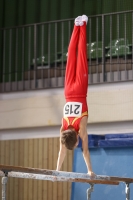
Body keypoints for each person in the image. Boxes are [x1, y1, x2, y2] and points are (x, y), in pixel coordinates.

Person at [56, 15, 95, 177]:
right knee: (71, 57)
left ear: (77, 139)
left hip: (80, 89)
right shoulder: (63, 129)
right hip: (67, 91)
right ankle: (76, 25)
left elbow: (85, 151)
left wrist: (90, 170)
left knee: (81, 56)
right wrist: (57, 170)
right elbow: (61, 151)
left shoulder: (81, 128)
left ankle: (83, 24)